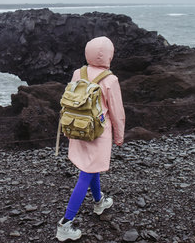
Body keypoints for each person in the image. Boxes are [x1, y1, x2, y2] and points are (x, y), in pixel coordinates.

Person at [56, 36, 126, 242]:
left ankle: (99, 201)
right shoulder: (110, 79)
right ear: (109, 55)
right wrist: (119, 137)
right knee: (86, 174)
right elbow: (117, 112)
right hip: (97, 134)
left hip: (77, 129)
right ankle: (65, 223)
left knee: (90, 166)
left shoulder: (79, 72)